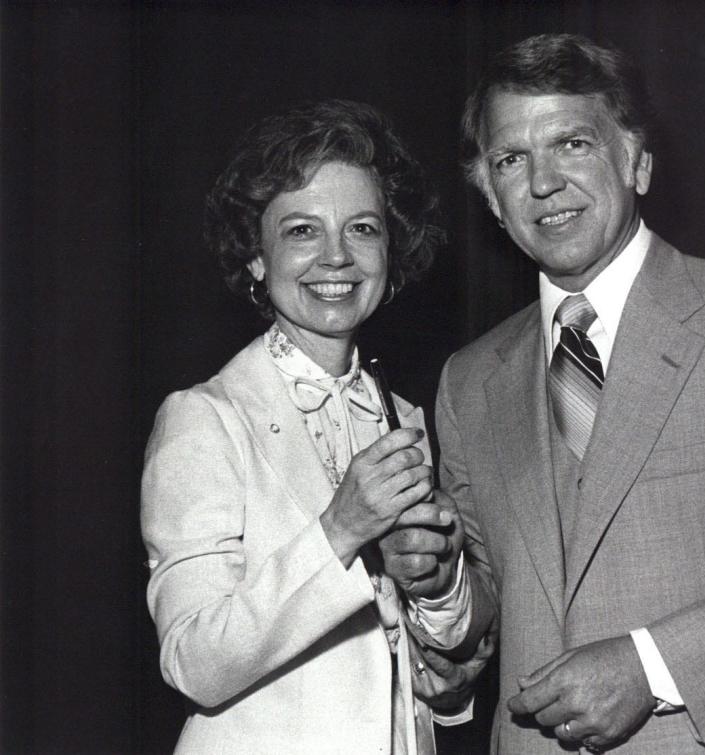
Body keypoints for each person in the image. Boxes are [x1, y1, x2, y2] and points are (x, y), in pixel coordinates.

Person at [381, 34, 705, 754]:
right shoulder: (468, 379)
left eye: (571, 143)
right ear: (491, 200)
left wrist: (651, 665)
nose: (543, 182)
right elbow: (489, 605)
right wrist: (443, 585)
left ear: (637, 161)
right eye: (511, 159)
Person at [141, 99, 484, 754]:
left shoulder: (401, 416)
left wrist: (440, 583)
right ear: (256, 258)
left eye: (362, 228)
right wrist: (342, 529)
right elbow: (192, 661)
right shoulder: (204, 419)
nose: (337, 257)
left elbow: (433, 661)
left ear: (391, 251)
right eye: (302, 230)